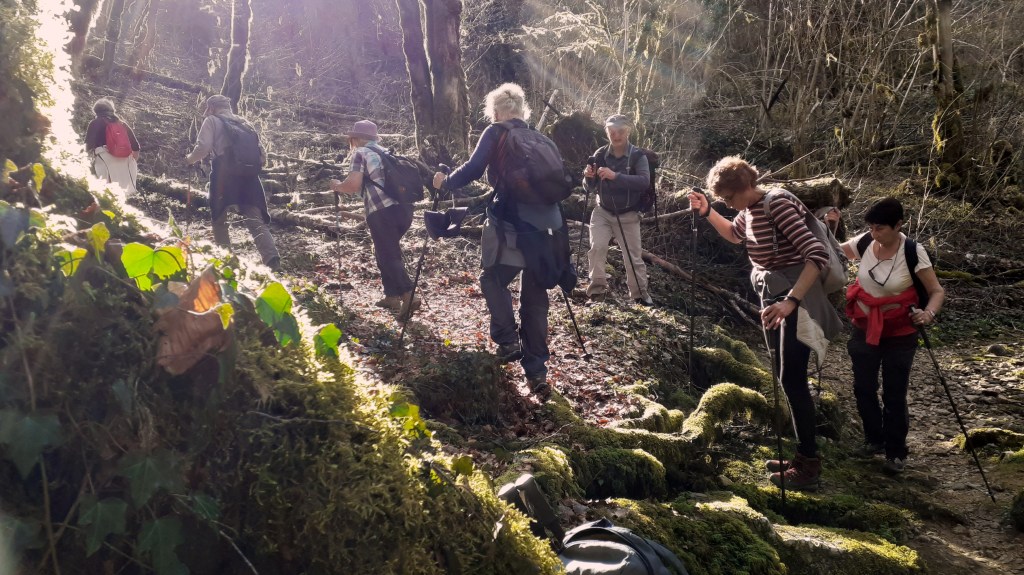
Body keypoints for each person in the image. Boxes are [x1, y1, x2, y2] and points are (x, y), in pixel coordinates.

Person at [688, 156, 841, 490]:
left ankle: (809, 465)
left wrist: (791, 301)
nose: (728, 204)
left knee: (794, 380)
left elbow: (816, 255)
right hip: (777, 298)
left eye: (728, 197)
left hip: (796, 301)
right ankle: (802, 456)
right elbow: (734, 234)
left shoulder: (777, 205)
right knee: (788, 378)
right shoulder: (750, 210)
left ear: (745, 186)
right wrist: (707, 211)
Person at [431, 83, 561, 398]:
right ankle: (537, 373)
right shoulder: (542, 139)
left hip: (511, 224)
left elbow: (473, 169)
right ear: (522, 110)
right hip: (548, 228)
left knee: (492, 279)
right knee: (535, 299)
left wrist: (445, 182)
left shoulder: (496, 132)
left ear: (496, 111)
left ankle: (507, 341)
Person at [840, 197, 945, 474]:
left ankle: (896, 451)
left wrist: (928, 314)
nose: (874, 234)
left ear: (898, 225)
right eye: (871, 227)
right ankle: (873, 439)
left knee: (894, 393)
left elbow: (936, 291)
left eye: (880, 228)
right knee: (863, 388)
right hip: (864, 328)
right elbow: (833, 252)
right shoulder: (865, 242)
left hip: (900, 332)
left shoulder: (912, 251)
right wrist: (828, 225)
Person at [330, 120, 419, 317]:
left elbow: (353, 185)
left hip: (382, 211)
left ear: (355, 139)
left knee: (388, 254)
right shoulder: (387, 153)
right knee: (384, 250)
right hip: (405, 210)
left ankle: (408, 294)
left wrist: (337, 186)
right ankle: (391, 296)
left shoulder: (361, 153)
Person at [185, 95, 280, 269]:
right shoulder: (245, 123)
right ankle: (272, 259)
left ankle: (226, 261)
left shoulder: (212, 121)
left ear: (212, 107)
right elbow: (262, 156)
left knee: (219, 218)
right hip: (249, 177)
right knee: (255, 219)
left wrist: (189, 159)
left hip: (224, 176)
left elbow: (203, 147)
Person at [582, 115, 652, 305]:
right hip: (602, 211)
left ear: (628, 131)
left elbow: (644, 182)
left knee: (632, 257)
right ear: (607, 132)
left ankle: (639, 295)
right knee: (597, 248)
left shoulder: (637, 156)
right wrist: (588, 177)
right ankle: (596, 292)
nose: (616, 135)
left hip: (629, 214)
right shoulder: (600, 154)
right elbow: (589, 187)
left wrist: (615, 176)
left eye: (620, 131)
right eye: (612, 131)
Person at [85, 98, 141, 195]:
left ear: (96, 111)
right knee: (126, 195)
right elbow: (136, 147)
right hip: (126, 161)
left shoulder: (95, 123)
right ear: (112, 110)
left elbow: (87, 146)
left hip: (105, 160)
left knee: (107, 194)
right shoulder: (122, 123)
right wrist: (130, 161)